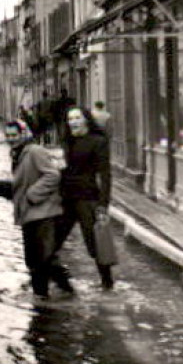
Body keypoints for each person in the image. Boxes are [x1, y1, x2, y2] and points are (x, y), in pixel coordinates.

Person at [7, 120, 72, 298]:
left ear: (23, 134)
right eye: (9, 135)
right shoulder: (17, 154)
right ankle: (46, 295)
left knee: (43, 259)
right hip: (29, 214)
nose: (11, 139)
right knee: (34, 259)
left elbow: (53, 175)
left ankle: (57, 293)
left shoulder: (35, 151)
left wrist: (32, 194)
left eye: (14, 135)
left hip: (43, 213)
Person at [55, 106, 115, 290]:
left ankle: (107, 284)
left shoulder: (98, 141)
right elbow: (61, 168)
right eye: (70, 119)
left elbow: (105, 175)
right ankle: (59, 282)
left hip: (87, 199)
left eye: (76, 118)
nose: (72, 122)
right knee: (52, 241)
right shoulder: (66, 141)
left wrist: (103, 204)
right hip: (65, 199)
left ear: (86, 120)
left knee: (95, 245)